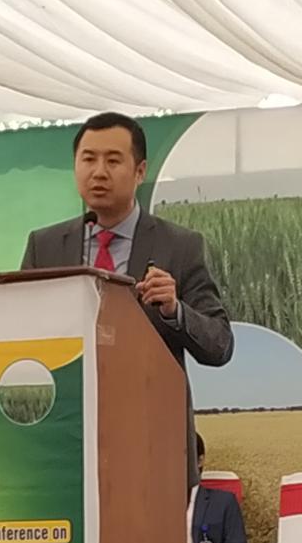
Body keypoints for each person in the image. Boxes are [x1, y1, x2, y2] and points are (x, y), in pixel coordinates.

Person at [21, 112, 233, 488]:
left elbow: (219, 345)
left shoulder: (179, 246)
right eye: (88, 159)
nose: (99, 172)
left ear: (140, 171)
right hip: (67, 442)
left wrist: (175, 310)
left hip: (150, 444)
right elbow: (23, 336)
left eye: (113, 160)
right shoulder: (46, 246)